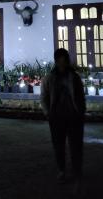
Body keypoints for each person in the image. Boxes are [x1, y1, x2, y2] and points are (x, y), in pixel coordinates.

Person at [40, 48, 86, 188]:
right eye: (59, 60)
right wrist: (48, 113)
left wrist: (81, 112)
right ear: (56, 61)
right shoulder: (49, 78)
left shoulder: (74, 77)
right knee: (58, 146)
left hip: (73, 116)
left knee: (75, 146)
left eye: (64, 59)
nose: (61, 63)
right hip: (57, 117)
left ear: (67, 60)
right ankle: (62, 170)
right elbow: (44, 97)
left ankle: (76, 171)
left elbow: (80, 97)